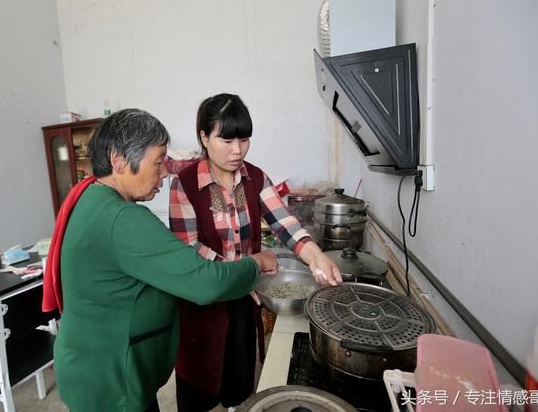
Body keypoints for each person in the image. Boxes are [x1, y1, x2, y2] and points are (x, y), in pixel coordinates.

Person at [42, 108, 278, 412]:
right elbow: (205, 282)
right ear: (118, 160)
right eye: (158, 162)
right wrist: (257, 262)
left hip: (98, 364)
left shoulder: (89, 196)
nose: (165, 172)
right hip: (112, 379)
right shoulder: (123, 220)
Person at [169, 93, 343, 411]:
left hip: (242, 304)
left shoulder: (255, 177)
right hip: (202, 307)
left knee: (239, 389)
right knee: (200, 390)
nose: (237, 150)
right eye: (227, 139)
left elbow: (283, 223)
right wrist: (251, 264)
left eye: (244, 139)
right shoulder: (185, 184)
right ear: (204, 137)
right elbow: (189, 251)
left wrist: (314, 253)